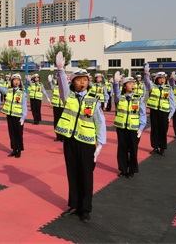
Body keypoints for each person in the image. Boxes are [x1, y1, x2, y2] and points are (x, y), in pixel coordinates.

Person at [54, 52, 106, 223]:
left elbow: (100, 122)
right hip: (70, 140)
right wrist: (60, 70)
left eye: (85, 79)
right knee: (72, 173)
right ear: (73, 82)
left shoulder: (94, 99)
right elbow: (62, 87)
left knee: (86, 175)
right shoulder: (68, 97)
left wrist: (100, 144)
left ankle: (85, 208)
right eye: (79, 79)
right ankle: (74, 205)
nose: (82, 82)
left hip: (87, 142)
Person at [112, 72, 146, 178]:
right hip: (122, 128)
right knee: (122, 149)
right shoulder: (120, 98)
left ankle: (131, 170)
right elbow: (116, 93)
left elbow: (142, 114)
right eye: (130, 83)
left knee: (133, 149)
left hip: (134, 128)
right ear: (125, 86)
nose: (132, 85)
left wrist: (141, 128)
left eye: (133, 83)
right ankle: (123, 169)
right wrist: (116, 83)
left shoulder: (138, 98)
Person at [143, 66, 175, 156]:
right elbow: (147, 82)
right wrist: (146, 74)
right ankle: (155, 146)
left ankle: (162, 148)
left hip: (164, 112)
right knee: (155, 130)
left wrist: (170, 115)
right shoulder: (153, 87)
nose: (162, 80)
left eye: (164, 78)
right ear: (156, 79)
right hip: (154, 111)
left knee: (163, 130)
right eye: (160, 78)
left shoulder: (169, 89)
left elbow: (172, 103)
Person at [0, 73, 28, 158]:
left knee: (18, 133)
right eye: (14, 80)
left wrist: (23, 117)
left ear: (20, 82)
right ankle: (14, 149)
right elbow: (2, 89)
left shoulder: (22, 92)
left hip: (18, 116)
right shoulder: (9, 90)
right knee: (12, 133)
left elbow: (24, 105)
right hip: (10, 115)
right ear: (11, 81)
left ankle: (19, 150)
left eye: (18, 80)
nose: (16, 82)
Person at [48, 74, 64, 142]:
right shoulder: (55, 87)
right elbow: (50, 86)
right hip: (56, 106)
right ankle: (58, 136)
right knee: (56, 122)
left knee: (63, 122)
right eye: (58, 80)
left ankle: (63, 136)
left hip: (63, 106)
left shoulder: (66, 87)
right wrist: (49, 82)